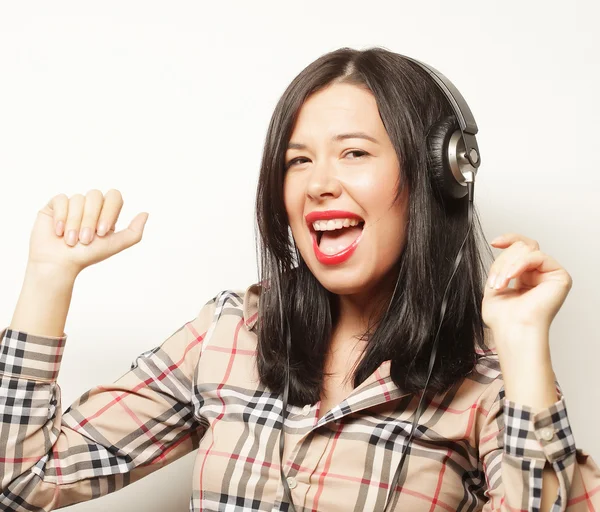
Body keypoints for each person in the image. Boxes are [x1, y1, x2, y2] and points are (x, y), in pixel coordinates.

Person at [1, 47, 599, 512]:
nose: (319, 183)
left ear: (435, 178)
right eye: (298, 160)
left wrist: (523, 347)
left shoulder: (493, 381)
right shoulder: (231, 331)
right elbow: (18, 482)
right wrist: (48, 279)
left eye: (355, 154)